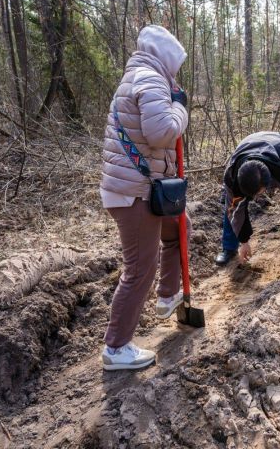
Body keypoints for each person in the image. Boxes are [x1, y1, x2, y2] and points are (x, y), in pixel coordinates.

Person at [99, 25, 190, 371]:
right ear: (164, 57)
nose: (177, 71)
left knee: (180, 225)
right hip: (134, 193)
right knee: (139, 269)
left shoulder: (141, 76)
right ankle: (116, 347)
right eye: (176, 63)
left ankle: (168, 295)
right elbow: (162, 132)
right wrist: (181, 109)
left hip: (140, 188)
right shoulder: (150, 80)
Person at [214, 132, 280, 267]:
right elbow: (234, 211)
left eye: (258, 194)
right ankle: (229, 249)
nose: (255, 199)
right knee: (233, 205)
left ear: (268, 183)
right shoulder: (232, 176)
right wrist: (244, 241)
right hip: (248, 147)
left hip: (278, 153)